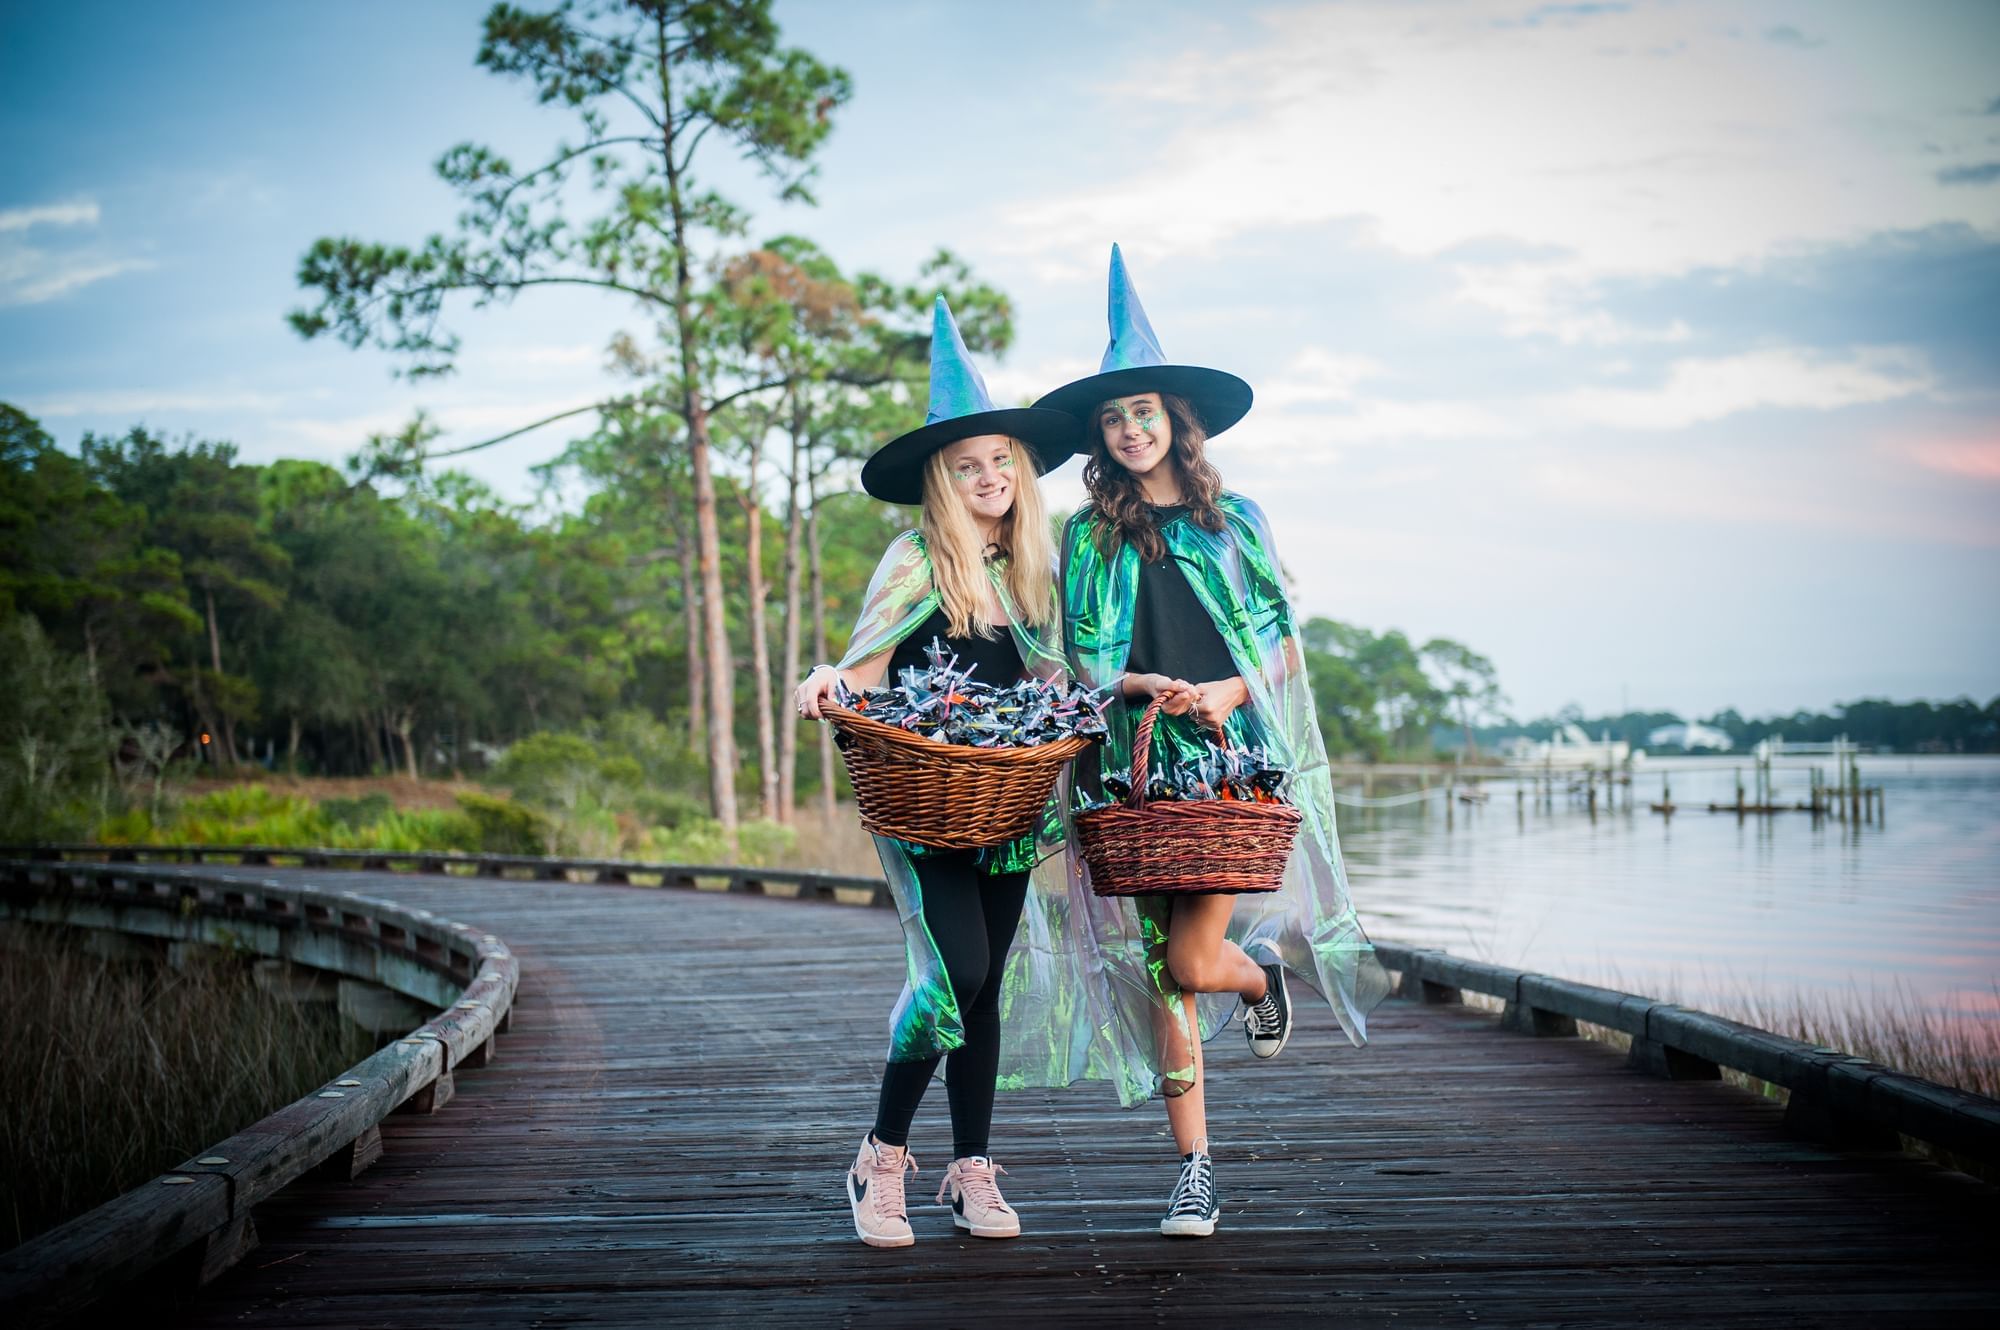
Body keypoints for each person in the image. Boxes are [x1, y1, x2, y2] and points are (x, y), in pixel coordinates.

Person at [1032, 245, 1391, 1237]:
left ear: (1175, 420)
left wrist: (1232, 684)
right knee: (1158, 970)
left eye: (1142, 410)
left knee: (1195, 964)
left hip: (1224, 771)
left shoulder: (1234, 520)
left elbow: (1279, 643)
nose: (1128, 428)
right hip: (1130, 773)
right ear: (1098, 436)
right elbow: (1075, 661)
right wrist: (1135, 683)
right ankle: (1194, 1170)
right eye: (1111, 417)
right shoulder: (1087, 537)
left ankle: (1256, 969)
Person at [795, 296, 1081, 1249]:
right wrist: (828, 679)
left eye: (1003, 461)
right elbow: (866, 666)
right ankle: (880, 1158)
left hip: (1005, 804)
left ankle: (971, 1170)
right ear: (942, 479)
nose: (990, 476)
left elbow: (1051, 676)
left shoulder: (1033, 568)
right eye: (969, 466)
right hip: (923, 805)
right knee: (950, 972)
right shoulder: (916, 557)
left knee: (989, 981)